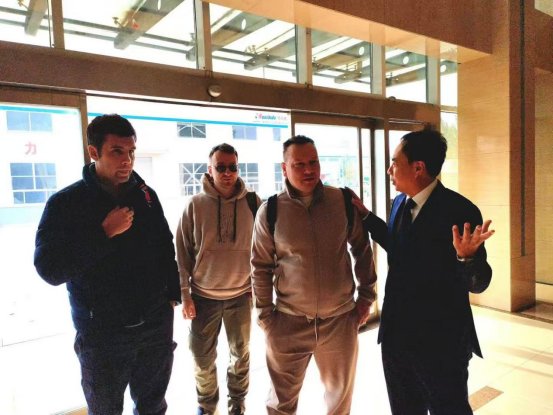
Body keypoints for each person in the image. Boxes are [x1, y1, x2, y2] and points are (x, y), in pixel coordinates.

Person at [34, 114, 180, 415]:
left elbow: (165, 247)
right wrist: (103, 233)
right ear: (94, 152)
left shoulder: (145, 196)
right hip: (103, 334)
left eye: (131, 152)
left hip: (154, 327)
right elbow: (50, 269)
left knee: (153, 407)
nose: (127, 160)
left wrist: (171, 297)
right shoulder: (66, 203)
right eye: (117, 151)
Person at [353, 129, 494, 415]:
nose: (390, 170)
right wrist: (366, 217)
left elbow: (479, 283)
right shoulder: (399, 203)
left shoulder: (460, 211)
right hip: (396, 338)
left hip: (440, 343)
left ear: (418, 168)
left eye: (395, 162)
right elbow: (398, 244)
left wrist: (467, 258)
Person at [250, 135, 377, 415]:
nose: (309, 170)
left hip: (339, 322)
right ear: (284, 168)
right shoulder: (270, 211)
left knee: (339, 402)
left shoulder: (341, 201)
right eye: (299, 164)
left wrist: (366, 296)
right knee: (280, 404)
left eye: (314, 162)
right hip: (288, 322)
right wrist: (266, 317)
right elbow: (260, 266)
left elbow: (361, 248)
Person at [175, 143, 260, 415]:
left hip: (240, 296)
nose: (227, 173)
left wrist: (259, 287)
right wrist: (185, 294)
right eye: (220, 167)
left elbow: (264, 248)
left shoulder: (253, 203)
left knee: (240, 356)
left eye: (232, 167)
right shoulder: (195, 205)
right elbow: (182, 253)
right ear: (209, 170)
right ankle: (207, 405)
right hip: (203, 298)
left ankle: (237, 404)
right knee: (202, 359)